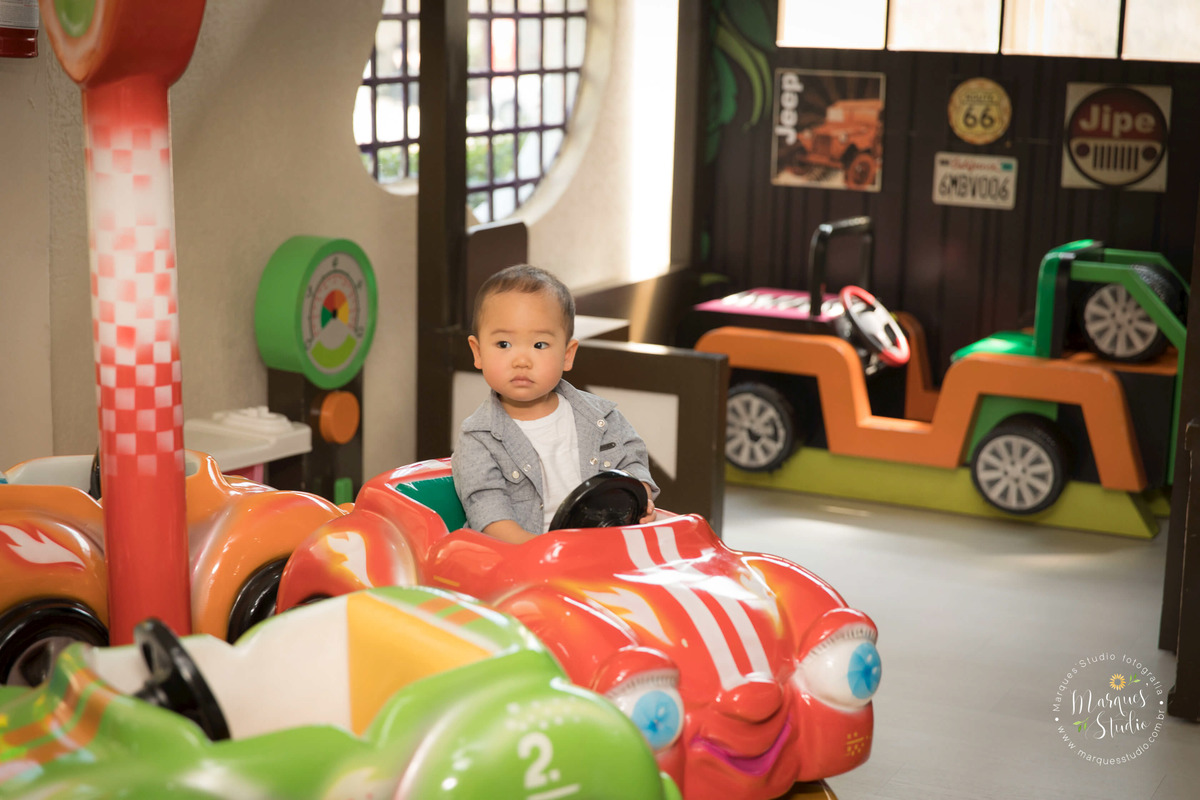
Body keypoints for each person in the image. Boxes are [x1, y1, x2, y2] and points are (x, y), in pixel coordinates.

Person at [452, 265, 659, 543]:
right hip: (521, 555)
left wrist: (640, 496)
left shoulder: (602, 417)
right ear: (477, 353)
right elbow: (488, 511)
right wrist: (539, 552)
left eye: (539, 345)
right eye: (503, 344)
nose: (521, 360)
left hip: (603, 544)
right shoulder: (478, 438)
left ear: (567, 355)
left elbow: (631, 463)